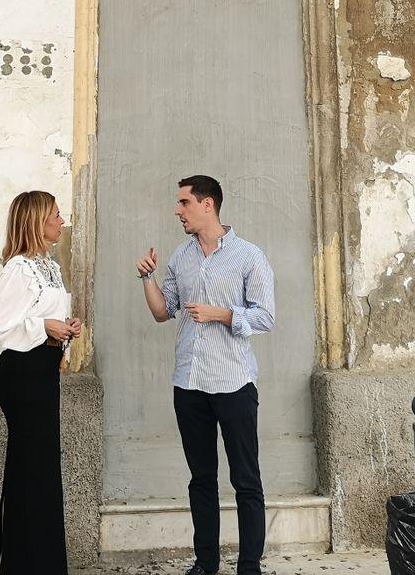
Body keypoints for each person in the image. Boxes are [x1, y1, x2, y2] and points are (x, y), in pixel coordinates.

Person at [136, 176, 275, 575]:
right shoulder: (181, 258)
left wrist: (222, 314)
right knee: (201, 479)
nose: (178, 211)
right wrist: (146, 277)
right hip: (190, 383)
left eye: (184, 203)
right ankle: (206, 564)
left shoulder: (249, 256)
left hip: (233, 382)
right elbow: (164, 312)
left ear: (207, 204)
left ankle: (249, 566)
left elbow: (265, 316)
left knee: (246, 480)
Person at [0, 190, 82, 575]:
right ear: (37, 222)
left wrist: (61, 331)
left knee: (39, 468)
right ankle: (24, 563)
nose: (61, 221)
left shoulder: (50, 267)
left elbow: (41, 321)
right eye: (56, 215)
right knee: (33, 467)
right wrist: (45, 326)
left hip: (42, 370)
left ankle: (27, 562)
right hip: (22, 376)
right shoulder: (19, 269)